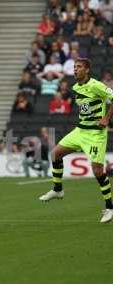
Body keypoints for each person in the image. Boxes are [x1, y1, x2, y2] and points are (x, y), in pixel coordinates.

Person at [39, 58, 113, 223]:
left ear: (87, 70)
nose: (75, 69)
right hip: (80, 131)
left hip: (95, 134)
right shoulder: (75, 87)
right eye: (74, 67)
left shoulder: (96, 85)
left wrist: (107, 118)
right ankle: (58, 190)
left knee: (98, 171)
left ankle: (110, 207)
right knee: (55, 155)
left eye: (79, 67)